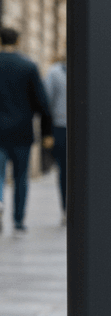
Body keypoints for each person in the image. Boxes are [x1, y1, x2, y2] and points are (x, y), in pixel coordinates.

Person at [0, 28, 53, 233]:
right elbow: (42, 103)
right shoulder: (28, 66)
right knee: (21, 177)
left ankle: (0, 203)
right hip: (22, 132)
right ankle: (18, 220)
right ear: (18, 41)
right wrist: (47, 132)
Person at [44, 50, 67, 221]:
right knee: (64, 169)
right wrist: (47, 132)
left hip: (65, 126)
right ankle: (66, 208)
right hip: (61, 127)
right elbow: (46, 102)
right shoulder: (54, 72)